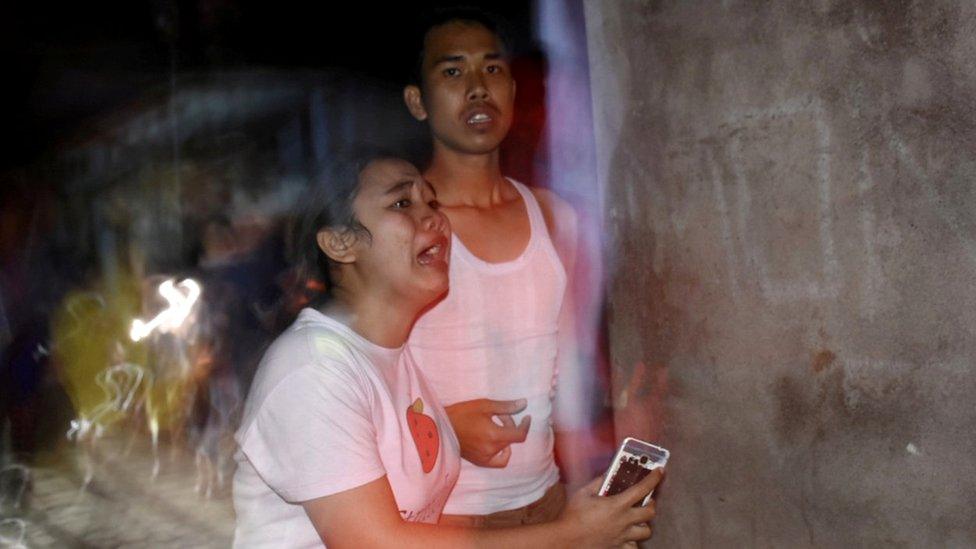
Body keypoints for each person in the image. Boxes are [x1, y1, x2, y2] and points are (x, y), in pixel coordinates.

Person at [232, 153, 661, 547]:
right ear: (340, 243)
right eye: (403, 204)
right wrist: (571, 536)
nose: (435, 219)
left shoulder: (392, 360)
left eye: (431, 203)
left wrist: (451, 432)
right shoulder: (312, 370)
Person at [403, 9, 595, 526]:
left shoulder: (555, 217)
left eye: (492, 70)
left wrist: (581, 487)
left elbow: (566, 365)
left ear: (511, 88)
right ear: (417, 101)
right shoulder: (404, 227)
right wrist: (441, 426)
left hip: (547, 500)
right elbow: (359, 374)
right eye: (452, 72)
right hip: (441, 514)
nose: (476, 88)